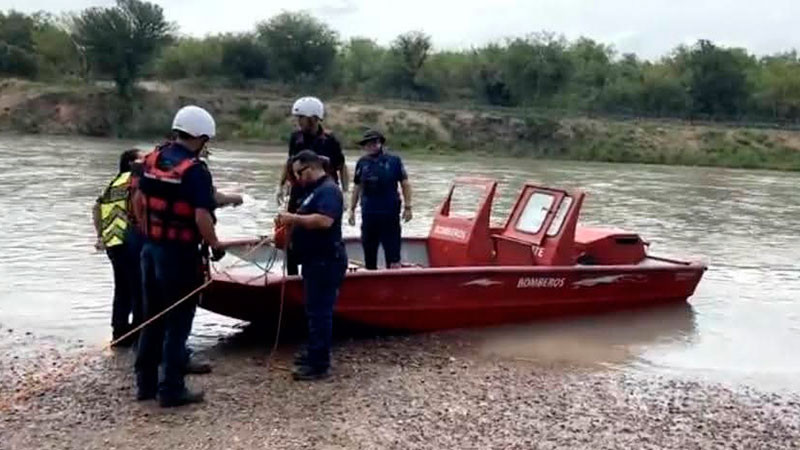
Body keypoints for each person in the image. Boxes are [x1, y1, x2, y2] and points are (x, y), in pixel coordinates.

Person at [132, 105, 229, 407]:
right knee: (178, 321)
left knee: (152, 317)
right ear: (201, 137)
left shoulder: (152, 159)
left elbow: (137, 200)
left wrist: (148, 232)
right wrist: (215, 244)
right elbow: (202, 215)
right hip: (179, 255)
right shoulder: (194, 170)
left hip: (150, 249)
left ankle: (145, 385)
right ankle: (171, 389)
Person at [276, 150, 348, 381]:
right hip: (313, 259)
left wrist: (292, 219)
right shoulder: (312, 191)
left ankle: (319, 364)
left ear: (311, 167)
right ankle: (314, 352)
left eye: (299, 172)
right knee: (313, 310)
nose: (297, 178)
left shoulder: (329, 190)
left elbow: (324, 221)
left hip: (327, 260)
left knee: (320, 312)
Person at [275, 97, 348, 275]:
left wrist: (344, 193)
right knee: (291, 233)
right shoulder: (296, 138)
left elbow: (341, 167)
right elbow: (289, 163)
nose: (298, 122)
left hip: (323, 194)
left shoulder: (330, 141)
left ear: (314, 118)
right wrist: (281, 184)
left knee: (321, 232)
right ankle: (292, 276)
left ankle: (318, 270)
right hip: (299, 191)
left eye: (301, 118)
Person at [92, 149, 144, 346]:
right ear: (132, 163)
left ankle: (119, 333)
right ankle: (140, 334)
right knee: (139, 290)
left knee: (122, 290)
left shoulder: (114, 183)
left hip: (113, 243)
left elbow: (97, 208)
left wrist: (100, 235)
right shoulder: (134, 180)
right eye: (141, 157)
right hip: (130, 241)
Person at [348, 130, 413, 270]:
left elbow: (405, 184)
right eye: (367, 144)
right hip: (369, 213)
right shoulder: (362, 163)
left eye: (374, 142)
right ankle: (371, 277)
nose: (370, 146)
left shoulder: (394, 161)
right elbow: (357, 187)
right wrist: (351, 210)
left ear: (380, 143)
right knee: (369, 250)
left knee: (393, 252)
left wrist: (408, 207)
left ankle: (394, 279)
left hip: (390, 213)